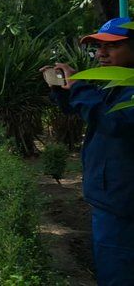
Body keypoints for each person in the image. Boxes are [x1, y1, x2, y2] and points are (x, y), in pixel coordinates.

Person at [43, 16, 134, 285]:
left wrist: (79, 86)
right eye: (97, 46)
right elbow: (88, 111)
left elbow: (111, 122)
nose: (101, 53)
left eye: (112, 46)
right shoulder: (117, 86)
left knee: (118, 273)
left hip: (122, 206)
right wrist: (63, 91)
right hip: (110, 200)